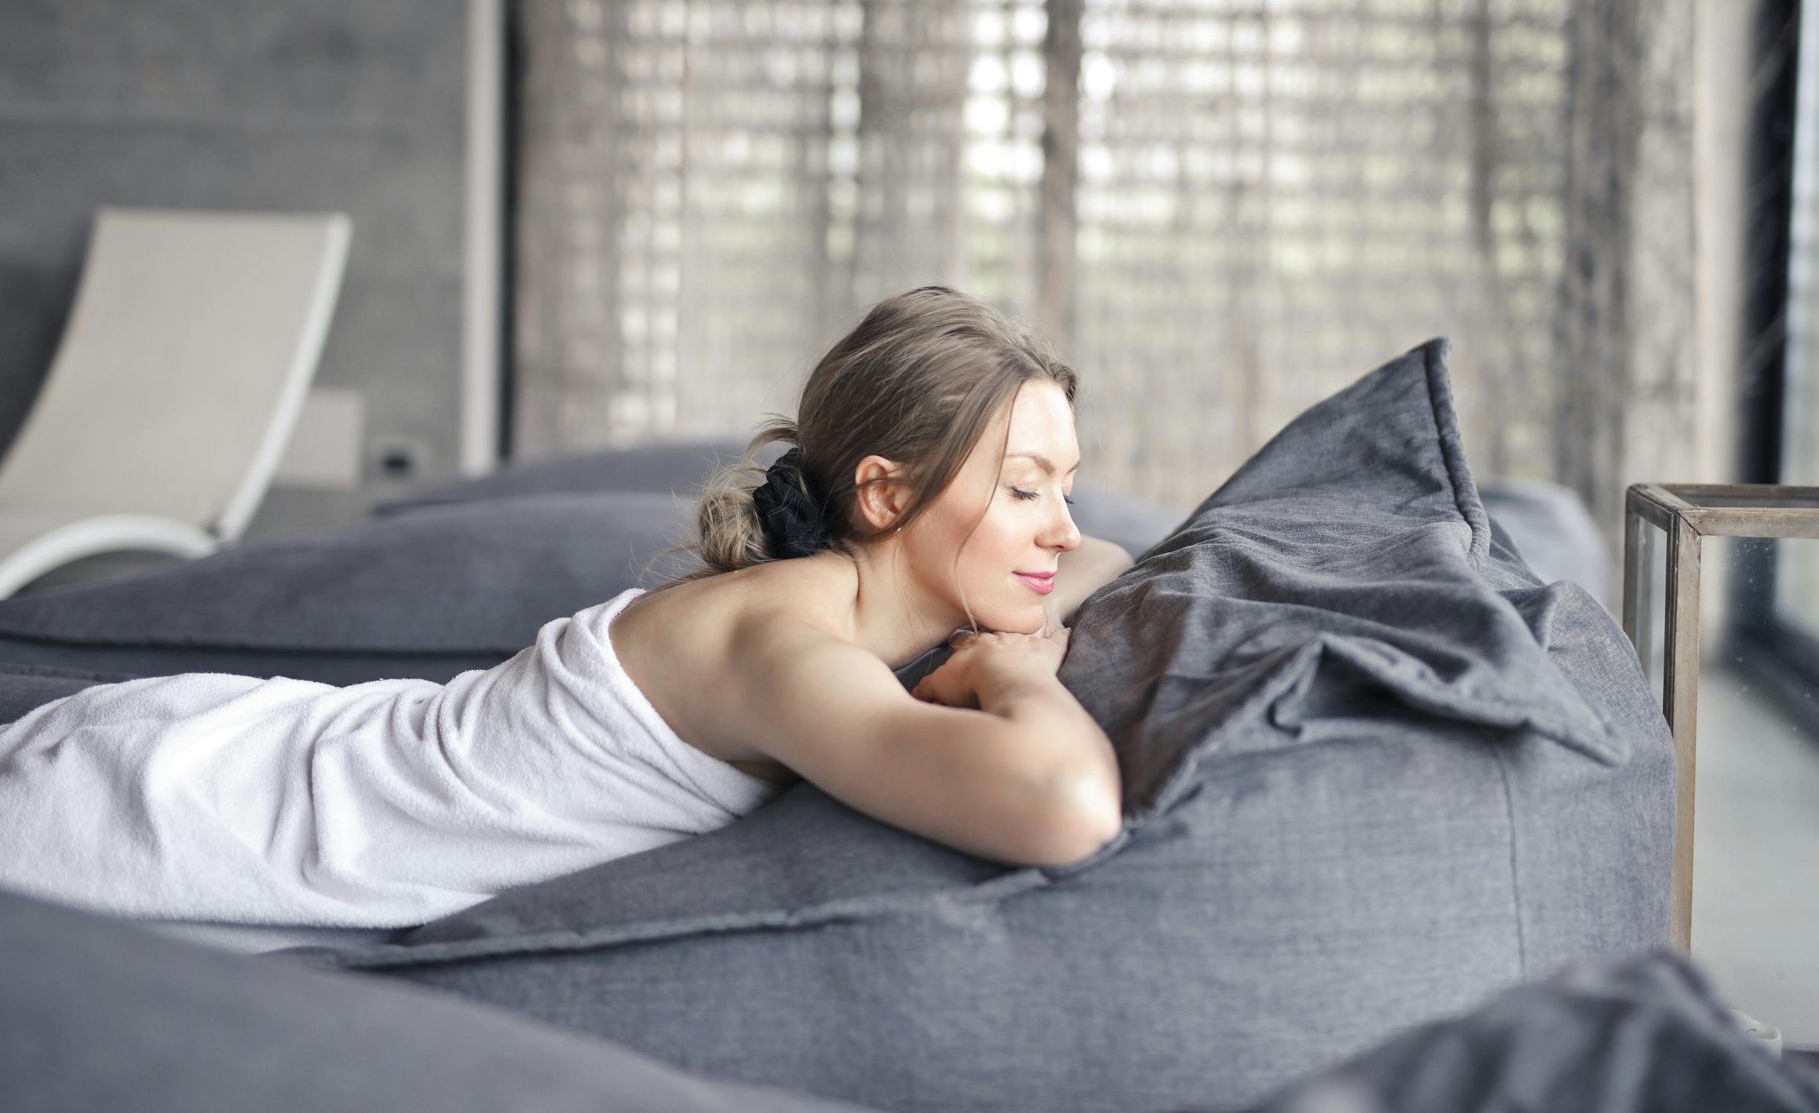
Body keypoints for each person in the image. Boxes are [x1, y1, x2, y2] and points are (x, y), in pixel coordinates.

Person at [0, 285, 1136, 951]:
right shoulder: (784, 649)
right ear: (885, 492)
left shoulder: (854, 602)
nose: (1056, 525)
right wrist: (1015, 670)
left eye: (1065, 483)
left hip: (252, 756)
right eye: (1025, 484)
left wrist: (1004, 618)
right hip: (179, 810)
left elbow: (1111, 554)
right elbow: (1069, 806)